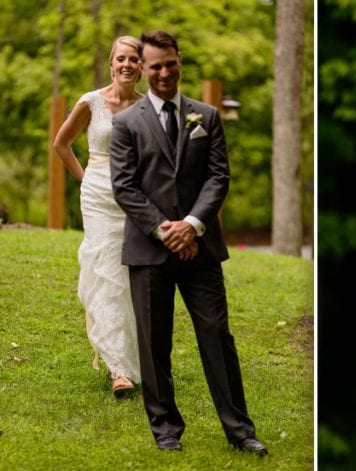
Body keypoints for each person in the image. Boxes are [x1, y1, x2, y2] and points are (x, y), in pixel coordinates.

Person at [108, 30, 267, 455]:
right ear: (143, 68)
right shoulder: (125, 123)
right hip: (149, 250)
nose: (163, 72)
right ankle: (165, 431)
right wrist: (167, 231)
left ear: (180, 61)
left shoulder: (207, 117)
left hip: (201, 248)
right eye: (154, 65)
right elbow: (124, 187)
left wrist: (193, 226)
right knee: (154, 342)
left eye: (169, 63)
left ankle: (240, 430)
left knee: (217, 334)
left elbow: (219, 177)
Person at [52, 36, 146, 397]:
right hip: (98, 198)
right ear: (111, 64)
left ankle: (137, 356)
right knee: (107, 273)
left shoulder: (148, 107)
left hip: (134, 200)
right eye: (120, 58)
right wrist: (85, 177)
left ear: (141, 67)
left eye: (133, 59)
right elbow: (62, 143)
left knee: (130, 277)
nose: (126, 64)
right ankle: (117, 369)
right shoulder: (91, 102)